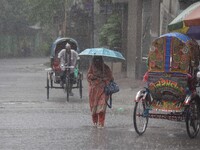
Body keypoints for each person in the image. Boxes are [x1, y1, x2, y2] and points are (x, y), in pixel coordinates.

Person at [87, 56, 114, 128]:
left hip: (103, 90)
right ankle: (95, 122)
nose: (97, 61)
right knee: (94, 108)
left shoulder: (106, 68)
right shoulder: (91, 68)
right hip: (94, 92)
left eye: (99, 60)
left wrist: (104, 78)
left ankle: (101, 123)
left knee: (102, 107)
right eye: (96, 60)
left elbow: (111, 78)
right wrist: (94, 77)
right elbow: (88, 76)